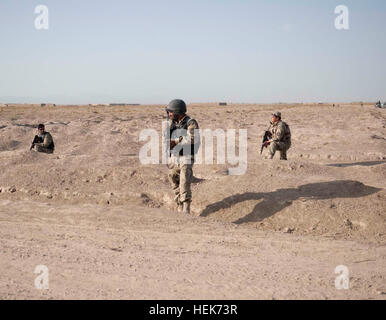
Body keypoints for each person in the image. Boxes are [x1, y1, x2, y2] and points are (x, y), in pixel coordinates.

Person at [165, 99, 199, 214]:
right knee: (173, 177)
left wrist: (176, 141)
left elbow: (193, 138)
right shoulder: (173, 124)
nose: (169, 114)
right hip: (176, 156)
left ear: (177, 112)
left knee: (184, 179)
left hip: (187, 155)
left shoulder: (190, 122)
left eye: (171, 112)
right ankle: (179, 202)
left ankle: (186, 206)